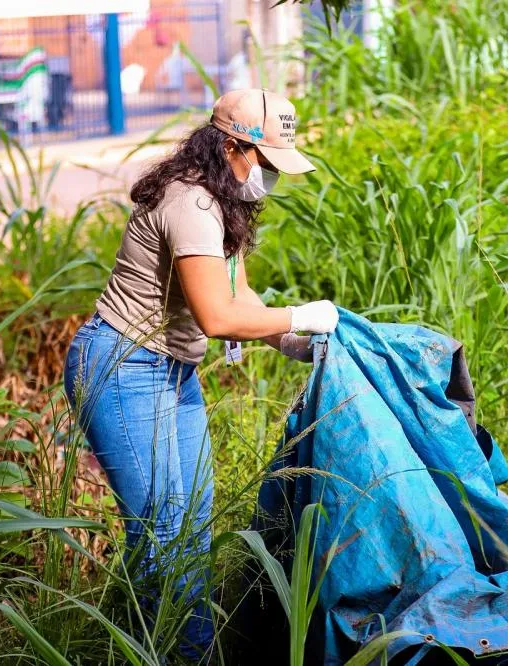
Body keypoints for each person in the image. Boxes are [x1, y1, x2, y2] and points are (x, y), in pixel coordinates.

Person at [62, 88, 337, 660]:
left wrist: (290, 338)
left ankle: (173, 650)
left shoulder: (220, 199)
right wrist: (300, 315)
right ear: (233, 145)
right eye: (266, 164)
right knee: (165, 535)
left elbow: (238, 293)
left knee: (190, 528)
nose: (270, 179)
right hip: (122, 369)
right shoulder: (192, 202)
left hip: (172, 374)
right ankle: (175, 654)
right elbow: (216, 317)